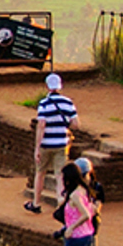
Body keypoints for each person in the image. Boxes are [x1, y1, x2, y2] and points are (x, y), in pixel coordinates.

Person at [25, 73, 79, 214]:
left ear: (47, 86)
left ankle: (36, 203)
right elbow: (76, 124)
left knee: (40, 173)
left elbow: (41, 125)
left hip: (46, 144)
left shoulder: (44, 103)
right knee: (60, 176)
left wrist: (37, 147)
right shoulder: (68, 102)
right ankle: (60, 204)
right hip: (61, 143)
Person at [58, 162, 98, 246]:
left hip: (77, 237)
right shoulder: (84, 190)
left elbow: (86, 214)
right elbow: (90, 210)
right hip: (88, 236)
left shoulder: (75, 195)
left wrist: (71, 228)